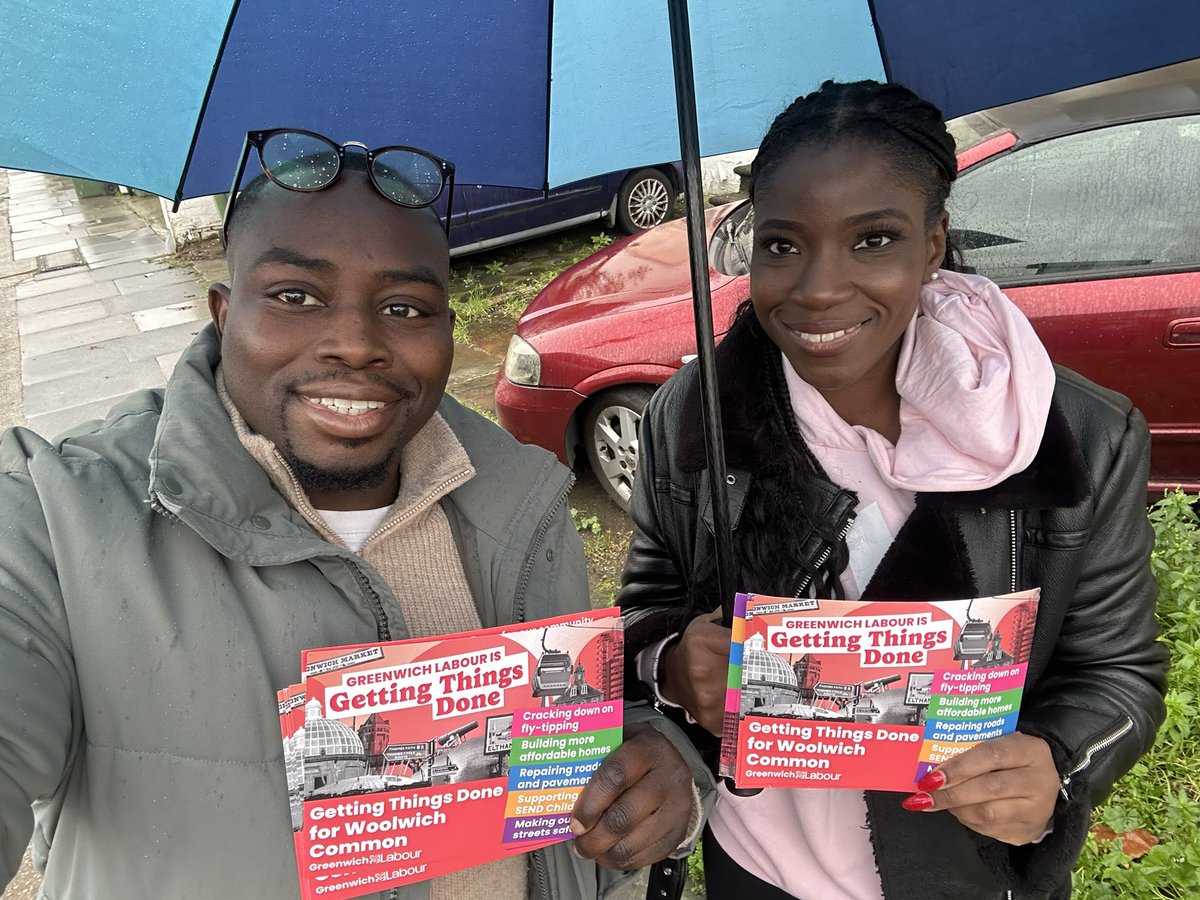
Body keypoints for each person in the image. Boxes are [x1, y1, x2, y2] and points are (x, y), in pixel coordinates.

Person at [0, 142, 713, 899]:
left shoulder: (524, 503)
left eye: (403, 308)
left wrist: (661, 770)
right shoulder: (57, 520)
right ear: (223, 313)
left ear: (447, 328)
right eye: (295, 295)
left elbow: (574, 745)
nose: (356, 344)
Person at [618, 80, 1167, 900]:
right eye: (782, 244)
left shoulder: (1076, 437)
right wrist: (670, 662)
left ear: (933, 243)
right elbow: (647, 601)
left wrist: (1055, 761)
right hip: (753, 866)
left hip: (956, 875)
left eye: (873, 240)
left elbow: (1117, 670)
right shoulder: (694, 418)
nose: (818, 288)